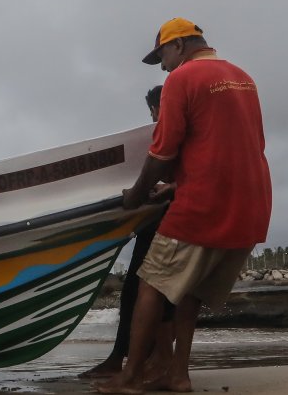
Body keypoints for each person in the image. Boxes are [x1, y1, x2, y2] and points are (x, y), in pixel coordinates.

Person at [97, 18, 272, 395]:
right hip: (252, 203)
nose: (162, 66)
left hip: (203, 205)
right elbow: (240, 144)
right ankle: (177, 375)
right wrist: (178, 184)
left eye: (162, 55)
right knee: (189, 290)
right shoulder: (243, 77)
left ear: (178, 45)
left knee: (149, 283)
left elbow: (162, 151)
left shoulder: (182, 78)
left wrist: (136, 193)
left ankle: (128, 379)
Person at [81, 87, 176, 379]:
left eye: (155, 110)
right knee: (136, 294)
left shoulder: (175, 132)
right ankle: (130, 359)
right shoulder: (164, 134)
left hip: (170, 223)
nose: (153, 117)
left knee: (154, 295)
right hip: (151, 222)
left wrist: (155, 191)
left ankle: (152, 362)